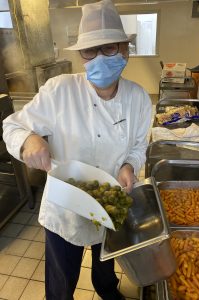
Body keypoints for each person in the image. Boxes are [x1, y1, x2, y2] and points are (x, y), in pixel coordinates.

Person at [3, 0, 152, 299]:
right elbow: (11, 126)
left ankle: (107, 290)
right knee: (60, 282)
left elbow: (138, 146)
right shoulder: (59, 90)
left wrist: (128, 166)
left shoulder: (138, 98)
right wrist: (28, 140)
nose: (98, 58)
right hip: (65, 209)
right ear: (81, 55)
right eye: (89, 50)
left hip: (109, 203)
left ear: (124, 49)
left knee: (105, 265)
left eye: (108, 48)